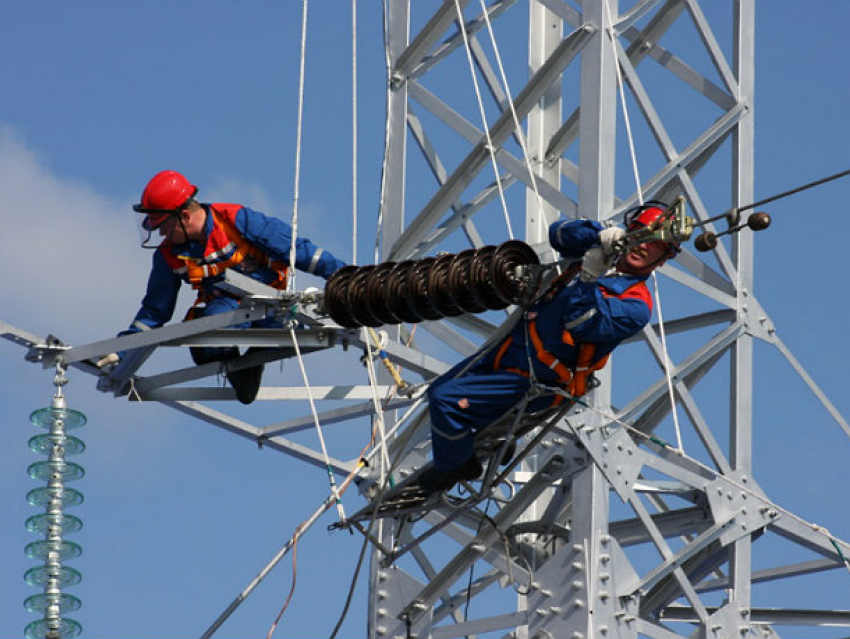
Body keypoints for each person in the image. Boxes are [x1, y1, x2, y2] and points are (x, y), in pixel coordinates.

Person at [419, 203, 680, 493]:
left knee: (445, 400)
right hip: (510, 351)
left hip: (538, 379)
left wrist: (588, 279)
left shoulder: (634, 305)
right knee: (439, 391)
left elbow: (582, 324)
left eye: (655, 244)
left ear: (663, 259)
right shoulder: (597, 251)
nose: (643, 245)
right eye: (640, 234)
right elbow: (559, 234)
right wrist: (599, 234)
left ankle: (454, 466)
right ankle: (495, 437)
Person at [109, 170, 347, 404]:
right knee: (203, 338)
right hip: (226, 308)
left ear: (185, 216)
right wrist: (121, 352)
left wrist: (344, 278)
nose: (161, 233)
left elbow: (298, 250)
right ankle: (239, 368)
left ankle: (255, 358)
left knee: (276, 324)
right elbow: (154, 311)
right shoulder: (168, 255)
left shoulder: (236, 220)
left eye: (164, 225)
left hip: (273, 305)